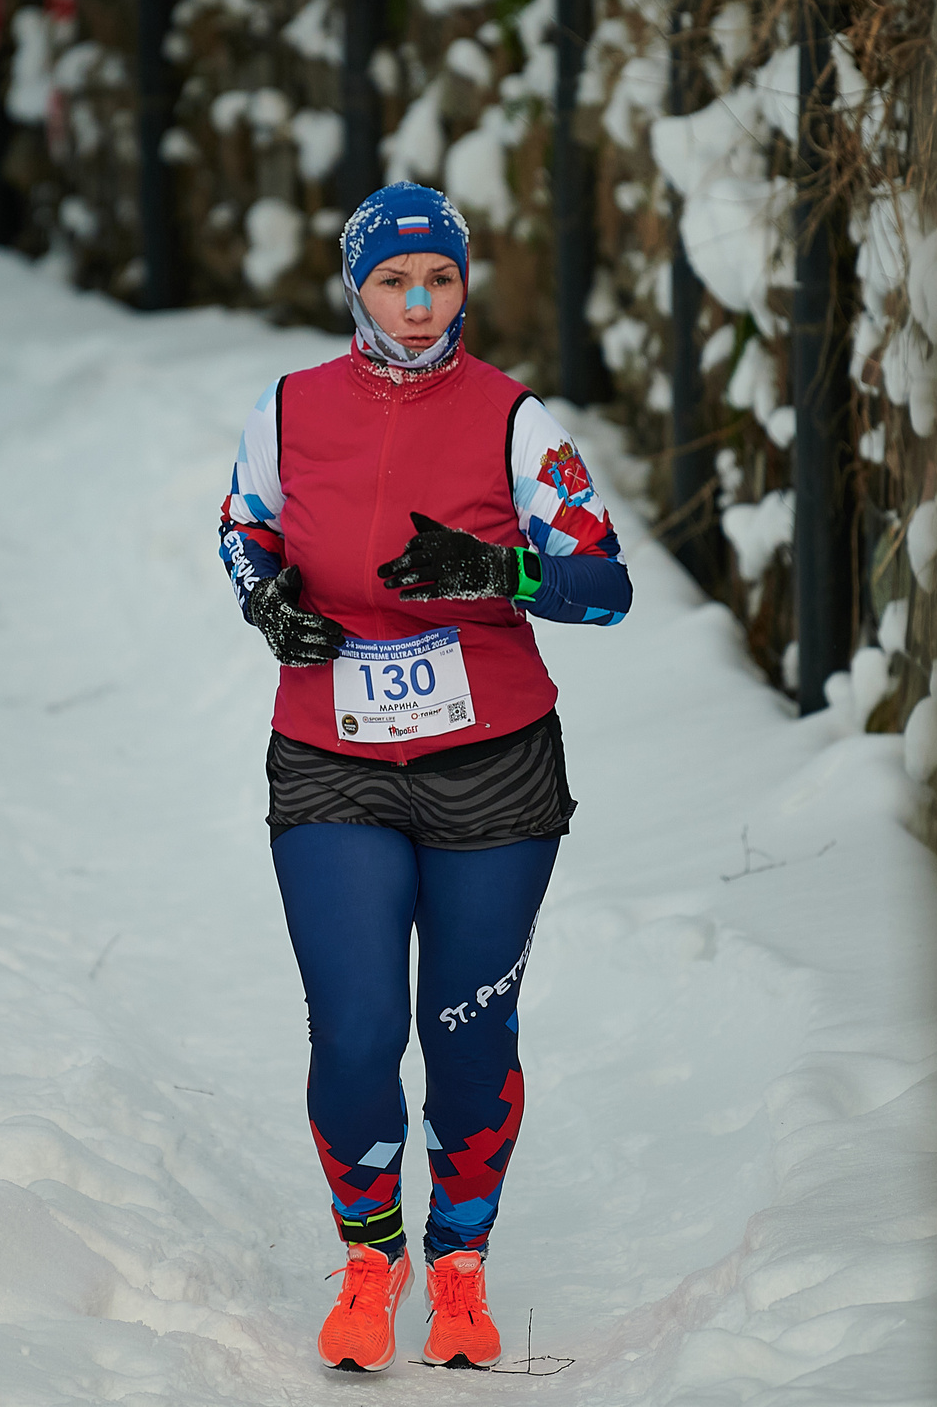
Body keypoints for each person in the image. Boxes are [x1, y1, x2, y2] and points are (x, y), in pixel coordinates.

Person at [216, 181, 632, 1371]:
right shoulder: (290, 409)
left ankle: (458, 1266)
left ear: (464, 283)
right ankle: (368, 1255)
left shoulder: (516, 420)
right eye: (393, 282)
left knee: (465, 1031)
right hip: (332, 759)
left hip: (493, 769)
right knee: (353, 1032)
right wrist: (269, 604)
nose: (415, 306)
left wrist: (497, 575)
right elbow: (246, 529)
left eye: (438, 280)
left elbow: (602, 586)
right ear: (355, 286)